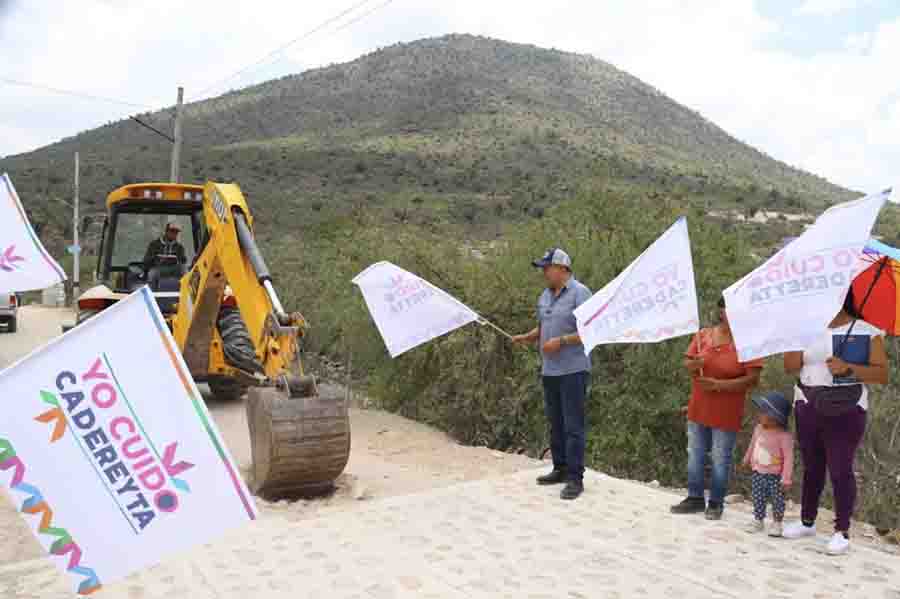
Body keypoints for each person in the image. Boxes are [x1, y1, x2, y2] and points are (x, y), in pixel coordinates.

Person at [781, 288, 888, 555]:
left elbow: (881, 374)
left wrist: (849, 368)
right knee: (812, 466)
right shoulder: (806, 326)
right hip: (807, 402)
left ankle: (842, 531)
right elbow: (790, 365)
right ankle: (807, 521)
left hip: (848, 408)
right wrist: (796, 336)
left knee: (840, 468)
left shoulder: (866, 330)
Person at [672, 296, 763, 520]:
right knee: (695, 453)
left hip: (727, 408)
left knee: (720, 457)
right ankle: (694, 498)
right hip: (699, 405)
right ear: (721, 311)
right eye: (728, 308)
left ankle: (715, 502)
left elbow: (753, 379)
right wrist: (696, 364)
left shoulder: (748, 340)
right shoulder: (703, 336)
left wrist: (720, 385)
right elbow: (687, 363)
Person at [512, 248, 592, 500]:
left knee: (573, 426)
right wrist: (528, 337)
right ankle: (559, 468)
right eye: (543, 268)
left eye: (547, 268)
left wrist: (561, 341)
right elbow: (543, 325)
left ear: (562, 268)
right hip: (550, 370)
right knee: (555, 422)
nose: (544, 272)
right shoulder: (544, 296)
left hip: (573, 369)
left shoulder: (581, 293)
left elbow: (590, 331)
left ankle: (575, 478)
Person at [741, 391, 794, 537]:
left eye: (763, 412)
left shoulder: (784, 437)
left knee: (777, 500)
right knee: (758, 497)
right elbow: (753, 444)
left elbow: (789, 458)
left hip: (775, 476)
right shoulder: (758, 429)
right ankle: (758, 520)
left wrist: (786, 478)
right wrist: (746, 458)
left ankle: (777, 523)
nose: (759, 415)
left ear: (775, 417)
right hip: (758, 472)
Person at [143, 221, 187, 288]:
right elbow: (146, 260)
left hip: (174, 269)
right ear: (166, 232)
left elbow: (183, 260)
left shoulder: (179, 247)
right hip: (158, 268)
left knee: (185, 271)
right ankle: (151, 294)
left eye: (176, 232)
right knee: (152, 274)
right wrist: (155, 258)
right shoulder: (154, 244)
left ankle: (186, 293)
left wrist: (180, 259)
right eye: (172, 231)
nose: (174, 234)